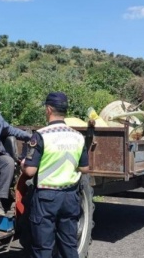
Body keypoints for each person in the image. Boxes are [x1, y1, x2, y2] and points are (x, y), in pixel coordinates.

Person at [22, 92, 89, 258]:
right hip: (70, 197)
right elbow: (85, 168)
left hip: (46, 198)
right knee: (69, 246)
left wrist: (23, 164)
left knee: (43, 248)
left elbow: (30, 172)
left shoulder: (41, 136)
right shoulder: (78, 136)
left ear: (48, 109)